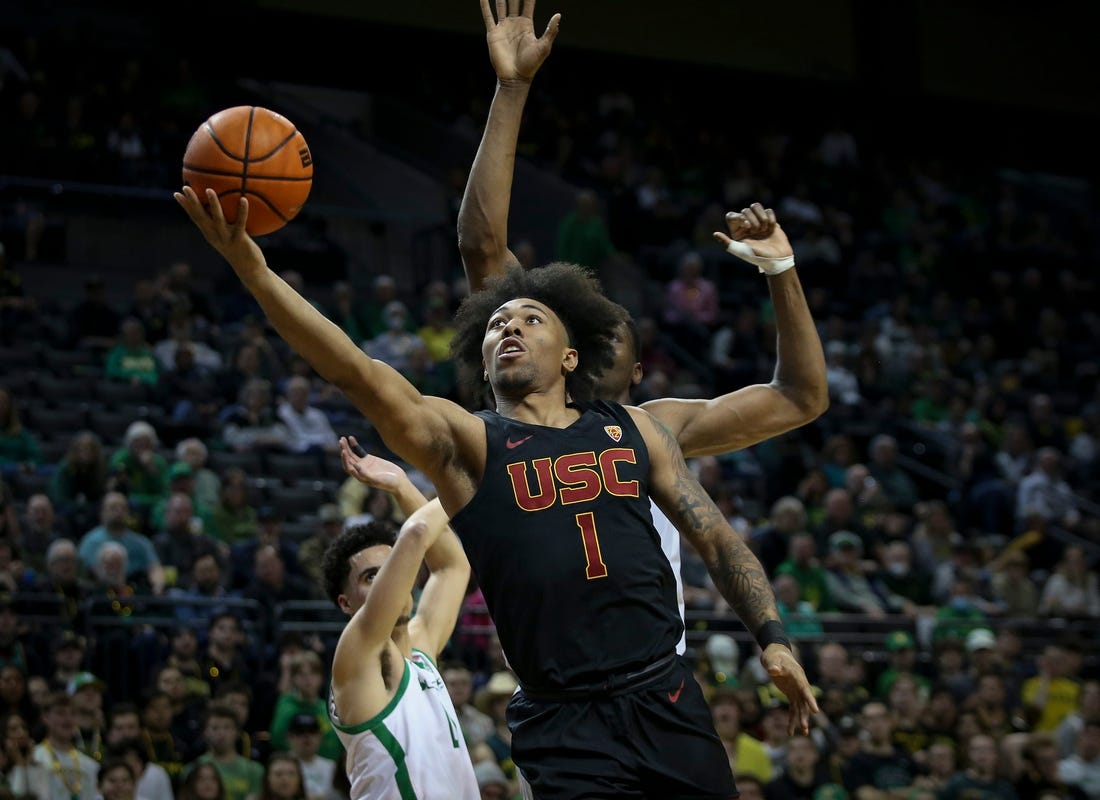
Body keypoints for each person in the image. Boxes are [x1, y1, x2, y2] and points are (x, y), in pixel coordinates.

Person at [176, 60, 815, 800]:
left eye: (529, 316)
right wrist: (255, 273)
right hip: (565, 719)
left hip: (665, 693)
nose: (508, 323)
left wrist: (772, 638)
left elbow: (725, 525)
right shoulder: (470, 445)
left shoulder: (644, 430)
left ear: (574, 354)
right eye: (497, 322)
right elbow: (358, 369)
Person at [320, 448, 477, 798]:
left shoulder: (421, 649)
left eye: (392, 567)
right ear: (345, 603)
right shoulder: (357, 655)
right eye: (370, 576)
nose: (388, 580)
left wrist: (403, 486)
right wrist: (476, 478)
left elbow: (453, 566)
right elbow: (418, 532)